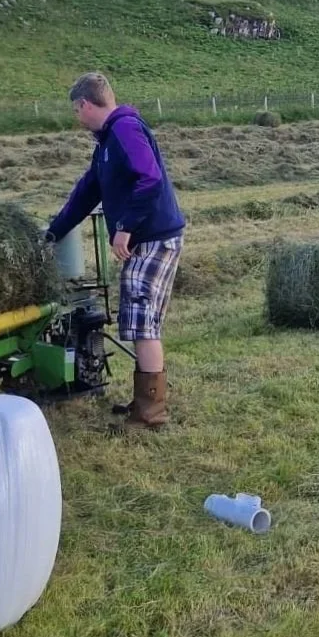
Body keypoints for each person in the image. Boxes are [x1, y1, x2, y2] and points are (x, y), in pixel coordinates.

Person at [46, 72, 185, 429]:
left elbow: (150, 178)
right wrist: (53, 233)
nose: (77, 120)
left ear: (84, 104)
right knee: (141, 321)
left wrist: (125, 227)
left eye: (76, 112)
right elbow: (86, 193)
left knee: (143, 323)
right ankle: (145, 404)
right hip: (149, 235)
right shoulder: (108, 142)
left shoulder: (124, 130)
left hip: (153, 236)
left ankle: (151, 414)